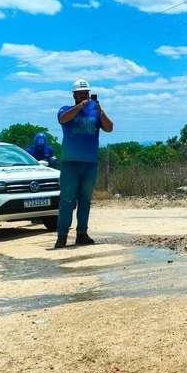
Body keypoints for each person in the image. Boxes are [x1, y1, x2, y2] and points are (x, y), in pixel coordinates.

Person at [53, 79, 113, 249]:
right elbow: (63, 120)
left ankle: (82, 234)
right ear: (74, 95)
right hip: (70, 163)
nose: (84, 95)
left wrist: (101, 112)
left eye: (86, 93)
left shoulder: (95, 112)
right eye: (81, 93)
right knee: (66, 199)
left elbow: (109, 128)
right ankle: (62, 235)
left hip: (90, 163)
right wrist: (79, 107)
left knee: (85, 199)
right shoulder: (66, 109)